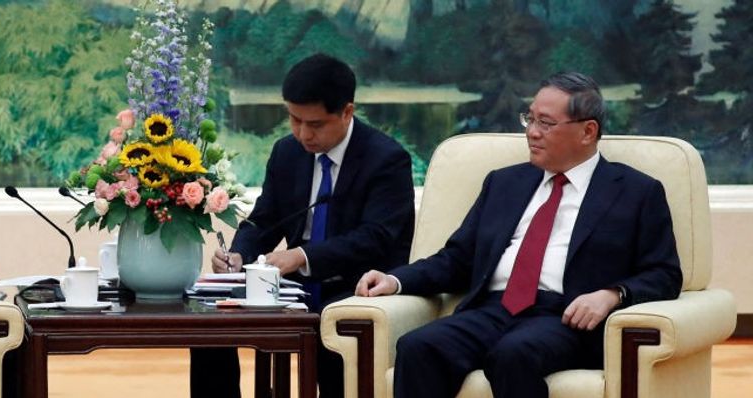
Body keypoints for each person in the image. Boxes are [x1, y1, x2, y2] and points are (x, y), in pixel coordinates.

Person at [355, 72, 682, 398]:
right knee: (418, 346)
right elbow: (457, 259)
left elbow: (664, 273)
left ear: (588, 131)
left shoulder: (637, 192)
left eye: (545, 123)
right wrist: (396, 280)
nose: (531, 132)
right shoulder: (504, 183)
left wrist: (613, 294)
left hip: (565, 318)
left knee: (513, 355)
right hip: (493, 309)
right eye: (530, 119)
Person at [192, 53, 417, 397]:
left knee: (332, 327)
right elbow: (265, 219)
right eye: (294, 120)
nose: (302, 134)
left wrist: (302, 256)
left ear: (346, 112)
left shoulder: (386, 159)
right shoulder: (287, 152)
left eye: (314, 125)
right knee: (209, 321)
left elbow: (376, 239)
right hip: (296, 284)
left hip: (355, 285)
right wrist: (238, 255)